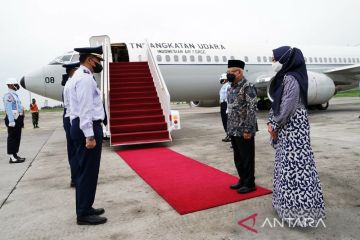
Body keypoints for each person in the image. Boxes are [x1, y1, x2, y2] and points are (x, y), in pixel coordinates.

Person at [267, 46, 325, 227]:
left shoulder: (291, 79)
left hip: (293, 128)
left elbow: (287, 108)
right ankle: (286, 207)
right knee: (286, 166)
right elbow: (277, 103)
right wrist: (272, 121)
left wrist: (274, 124)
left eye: (274, 58)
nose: (272, 62)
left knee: (296, 168)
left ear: (285, 60)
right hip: (287, 127)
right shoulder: (284, 77)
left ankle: (300, 211)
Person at [69, 46, 107, 225]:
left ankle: (86, 207)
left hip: (82, 126)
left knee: (87, 171)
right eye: (98, 60)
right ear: (90, 60)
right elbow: (85, 109)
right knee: (87, 172)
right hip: (88, 127)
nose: (99, 64)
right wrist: (89, 135)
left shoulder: (80, 76)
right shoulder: (84, 79)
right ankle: (83, 213)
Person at [226, 60, 258, 194]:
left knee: (247, 158)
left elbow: (252, 109)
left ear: (239, 72)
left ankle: (250, 183)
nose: (228, 75)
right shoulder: (231, 87)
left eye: (231, 72)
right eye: (227, 72)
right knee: (238, 158)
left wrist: (248, 129)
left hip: (244, 129)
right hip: (233, 129)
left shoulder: (248, 86)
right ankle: (242, 180)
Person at [62, 61, 80, 188]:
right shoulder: (71, 84)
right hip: (71, 118)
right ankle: (76, 178)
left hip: (68, 118)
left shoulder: (68, 83)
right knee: (75, 150)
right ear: (72, 71)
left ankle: (75, 177)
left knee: (72, 150)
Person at [3, 78, 26, 164]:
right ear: (10, 85)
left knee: (17, 137)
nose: (16, 86)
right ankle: (12, 157)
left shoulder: (15, 95)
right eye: (15, 84)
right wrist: (11, 121)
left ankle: (15, 154)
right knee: (12, 138)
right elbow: (8, 108)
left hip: (18, 118)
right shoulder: (8, 96)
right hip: (12, 119)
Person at [219, 73, 231, 142]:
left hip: (226, 104)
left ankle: (231, 136)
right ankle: (228, 135)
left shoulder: (228, 86)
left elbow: (229, 96)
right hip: (223, 104)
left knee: (227, 120)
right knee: (224, 120)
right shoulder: (224, 86)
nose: (221, 81)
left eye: (222, 80)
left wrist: (228, 108)